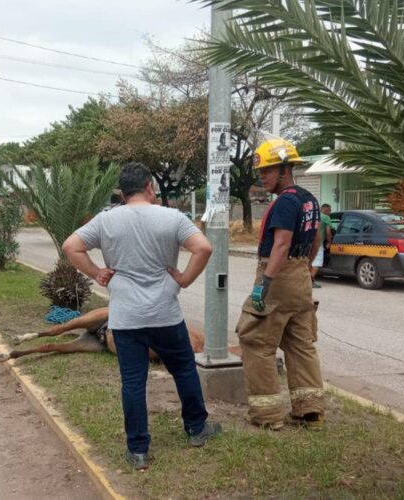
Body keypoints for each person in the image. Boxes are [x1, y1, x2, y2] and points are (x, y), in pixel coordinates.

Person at [62, 162, 221, 471]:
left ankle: (138, 451)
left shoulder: (106, 220)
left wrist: (97, 272)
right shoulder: (172, 217)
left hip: (126, 318)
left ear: (122, 193)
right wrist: (184, 279)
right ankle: (197, 429)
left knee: (133, 382)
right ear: (150, 187)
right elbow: (203, 247)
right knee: (185, 370)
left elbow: (71, 246)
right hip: (165, 313)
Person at [235, 138, 325, 430]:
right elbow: (317, 238)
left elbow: (281, 245)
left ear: (285, 169)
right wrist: (307, 266)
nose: (262, 178)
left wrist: (266, 283)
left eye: (268, 171)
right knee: (300, 344)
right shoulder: (309, 199)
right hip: (300, 278)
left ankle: (267, 415)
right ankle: (309, 411)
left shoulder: (285, 201)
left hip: (279, 277)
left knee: (256, 342)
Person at [310, 203, 333, 288]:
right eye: (329, 210)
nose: (330, 212)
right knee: (317, 262)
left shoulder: (313, 215)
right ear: (325, 209)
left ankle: (305, 281)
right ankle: (311, 281)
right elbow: (328, 232)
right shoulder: (326, 218)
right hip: (318, 243)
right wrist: (329, 242)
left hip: (308, 242)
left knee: (309, 261)